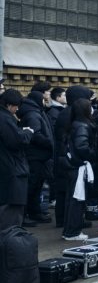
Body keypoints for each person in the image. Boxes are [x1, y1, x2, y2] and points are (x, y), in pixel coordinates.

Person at [62, 98, 97, 241]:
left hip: (73, 165)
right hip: (80, 166)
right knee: (77, 200)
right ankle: (73, 232)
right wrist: (94, 154)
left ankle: (70, 230)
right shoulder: (83, 125)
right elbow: (82, 147)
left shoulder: (74, 124)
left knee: (72, 199)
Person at [18, 90, 55, 226]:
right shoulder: (33, 114)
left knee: (37, 186)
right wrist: (50, 143)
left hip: (39, 156)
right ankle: (26, 214)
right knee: (32, 186)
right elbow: (35, 134)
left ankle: (34, 212)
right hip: (35, 156)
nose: (45, 101)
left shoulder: (36, 112)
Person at [0, 89, 34, 231]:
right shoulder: (5, 118)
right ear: (9, 105)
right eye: (16, 106)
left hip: (6, 168)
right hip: (11, 170)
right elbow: (16, 141)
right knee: (11, 218)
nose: (17, 109)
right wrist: (27, 132)